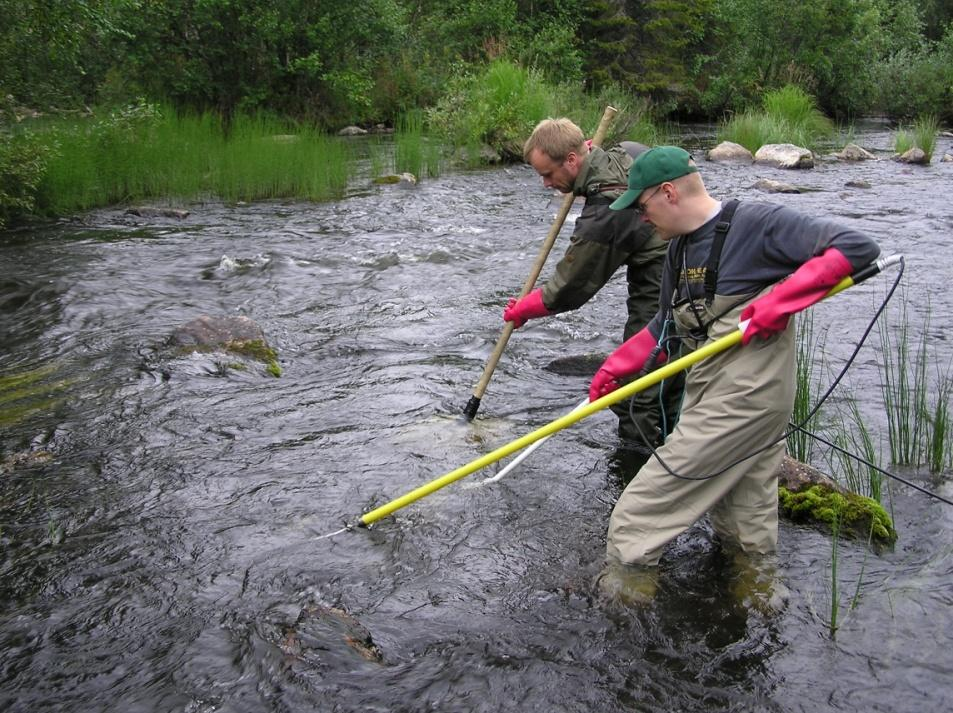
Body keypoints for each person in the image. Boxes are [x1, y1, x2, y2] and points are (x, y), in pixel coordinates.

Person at [588, 146, 881, 606]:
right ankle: (757, 600)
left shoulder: (759, 224)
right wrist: (617, 365)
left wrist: (782, 299)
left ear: (668, 192)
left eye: (642, 207)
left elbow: (858, 248)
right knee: (744, 519)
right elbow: (664, 325)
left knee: (639, 515)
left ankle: (626, 607)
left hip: (748, 398)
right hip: (709, 394)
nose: (642, 220)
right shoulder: (677, 250)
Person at [504, 118, 683, 466]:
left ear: (573, 159)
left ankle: (641, 471)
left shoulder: (606, 211)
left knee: (638, 390)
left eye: (548, 174)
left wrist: (522, 310)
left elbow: (568, 288)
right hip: (676, 266)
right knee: (665, 372)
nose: (545, 184)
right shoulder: (624, 153)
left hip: (667, 280)